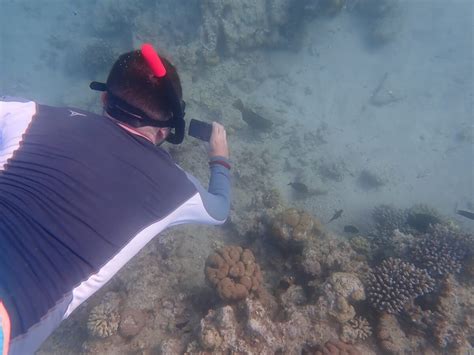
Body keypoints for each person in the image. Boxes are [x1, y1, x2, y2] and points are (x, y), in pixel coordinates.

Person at [0, 43, 231, 355]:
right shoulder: (179, 188)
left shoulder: (24, 113)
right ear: (164, 133)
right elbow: (220, 210)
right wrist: (220, 158)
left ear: (104, 98)